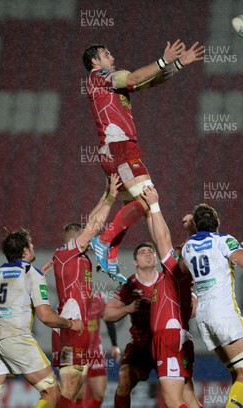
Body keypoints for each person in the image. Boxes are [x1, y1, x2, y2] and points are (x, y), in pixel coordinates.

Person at [82, 41, 205, 282]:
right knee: (149, 199)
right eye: (107, 53)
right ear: (95, 61)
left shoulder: (110, 84)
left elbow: (147, 81)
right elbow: (133, 77)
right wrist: (162, 60)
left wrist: (178, 63)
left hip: (114, 150)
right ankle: (104, 240)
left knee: (137, 206)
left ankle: (111, 257)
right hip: (120, 148)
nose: (112, 56)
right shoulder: (100, 76)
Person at [0, 229, 83, 408]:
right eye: (31, 244)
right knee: (52, 392)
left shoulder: (1, 272)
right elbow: (45, 316)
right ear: (25, 251)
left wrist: (36, 277)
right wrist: (71, 324)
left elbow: (16, 289)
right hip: (16, 338)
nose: (33, 247)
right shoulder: (31, 274)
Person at [52, 175, 121, 407]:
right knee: (70, 388)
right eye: (84, 238)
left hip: (78, 330)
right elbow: (93, 226)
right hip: (71, 329)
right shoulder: (67, 252)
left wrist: (105, 192)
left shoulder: (77, 256)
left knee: (74, 388)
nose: (90, 241)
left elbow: (90, 221)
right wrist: (111, 198)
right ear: (74, 239)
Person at [182, 204, 243, 408]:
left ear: (197, 225)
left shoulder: (187, 247)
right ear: (218, 222)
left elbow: (182, 269)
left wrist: (192, 233)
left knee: (238, 373)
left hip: (204, 317)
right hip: (223, 314)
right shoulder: (223, 240)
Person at [141, 186, 199, 408]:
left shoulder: (177, 270)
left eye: (181, 248)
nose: (176, 249)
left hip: (170, 336)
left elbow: (163, 238)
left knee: (173, 402)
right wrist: (148, 211)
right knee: (189, 400)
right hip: (177, 335)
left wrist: (155, 204)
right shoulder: (179, 274)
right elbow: (159, 237)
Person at [104, 241, 159, 407]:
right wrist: (127, 308)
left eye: (151, 251)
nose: (148, 254)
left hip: (165, 345)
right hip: (140, 347)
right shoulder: (128, 285)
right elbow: (108, 314)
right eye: (143, 252)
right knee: (124, 382)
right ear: (135, 262)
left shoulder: (167, 281)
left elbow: (191, 305)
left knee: (178, 392)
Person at [80, 290, 122, 408]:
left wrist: (114, 344)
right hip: (76, 352)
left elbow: (108, 319)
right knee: (76, 393)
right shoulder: (69, 296)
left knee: (99, 394)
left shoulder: (98, 298)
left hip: (95, 352)